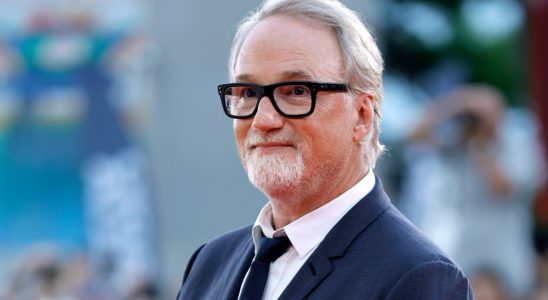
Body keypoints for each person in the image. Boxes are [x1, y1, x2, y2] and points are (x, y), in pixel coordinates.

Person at [176, 0, 472, 299]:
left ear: (362, 116)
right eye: (248, 93)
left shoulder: (420, 277)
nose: (262, 120)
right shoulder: (209, 263)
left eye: (297, 91)